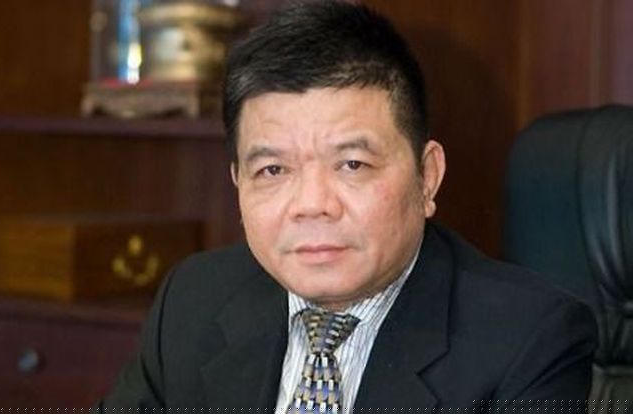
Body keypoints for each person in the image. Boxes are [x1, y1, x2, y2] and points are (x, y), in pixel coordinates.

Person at [98, 0, 597, 411]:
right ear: (238, 185)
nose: (312, 205)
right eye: (273, 170)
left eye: (352, 164)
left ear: (427, 177)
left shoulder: (528, 341)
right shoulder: (193, 301)